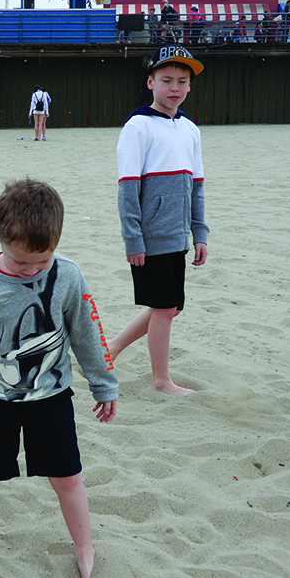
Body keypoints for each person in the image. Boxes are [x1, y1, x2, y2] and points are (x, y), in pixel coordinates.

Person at [0, 179, 118, 578]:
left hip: (51, 399)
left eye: (42, 261)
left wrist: (104, 385)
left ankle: (84, 547)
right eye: (21, 263)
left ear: (58, 238)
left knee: (68, 478)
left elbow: (88, 334)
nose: (32, 271)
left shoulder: (68, 276)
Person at [109, 45, 209, 396]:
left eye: (182, 81)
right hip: (151, 235)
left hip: (178, 234)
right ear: (151, 82)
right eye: (167, 80)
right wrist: (133, 239)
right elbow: (128, 188)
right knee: (165, 307)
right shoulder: (138, 127)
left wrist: (199, 233)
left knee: (170, 307)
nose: (175, 88)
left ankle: (112, 348)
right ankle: (161, 381)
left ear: (190, 86)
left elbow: (196, 187)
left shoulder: (190, 129)